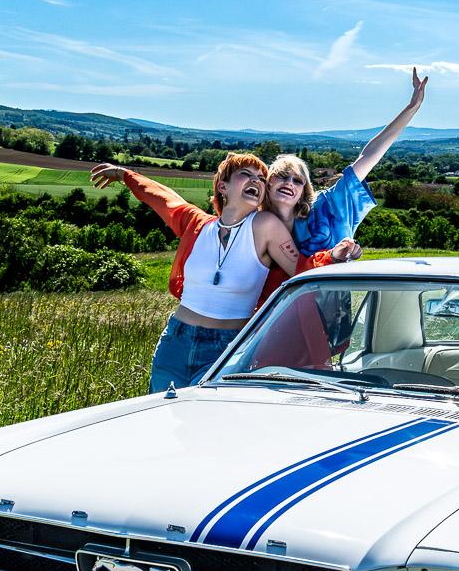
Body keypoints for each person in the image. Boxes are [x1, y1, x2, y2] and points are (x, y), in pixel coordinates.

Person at [89, 154, 358, 393]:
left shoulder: (265, 226)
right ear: (222, 186)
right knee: (162, 416)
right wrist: (125, 175)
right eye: (246, 175)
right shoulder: (197, 224)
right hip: (175, 341)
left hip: (225, 348)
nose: (256, 181)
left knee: (209, 427)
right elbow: (162, 198)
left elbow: (299, 268)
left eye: (261, 178)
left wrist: (332, 257)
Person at [257, 67, 429, 309]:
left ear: (304, 190)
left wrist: (411, 108)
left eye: (297, 180)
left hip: (326, 315)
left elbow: (366, 157)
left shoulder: (326, 209)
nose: (289, 183)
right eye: (282, 176)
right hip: (267, 318)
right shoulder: (254, 221)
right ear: (268, 182)